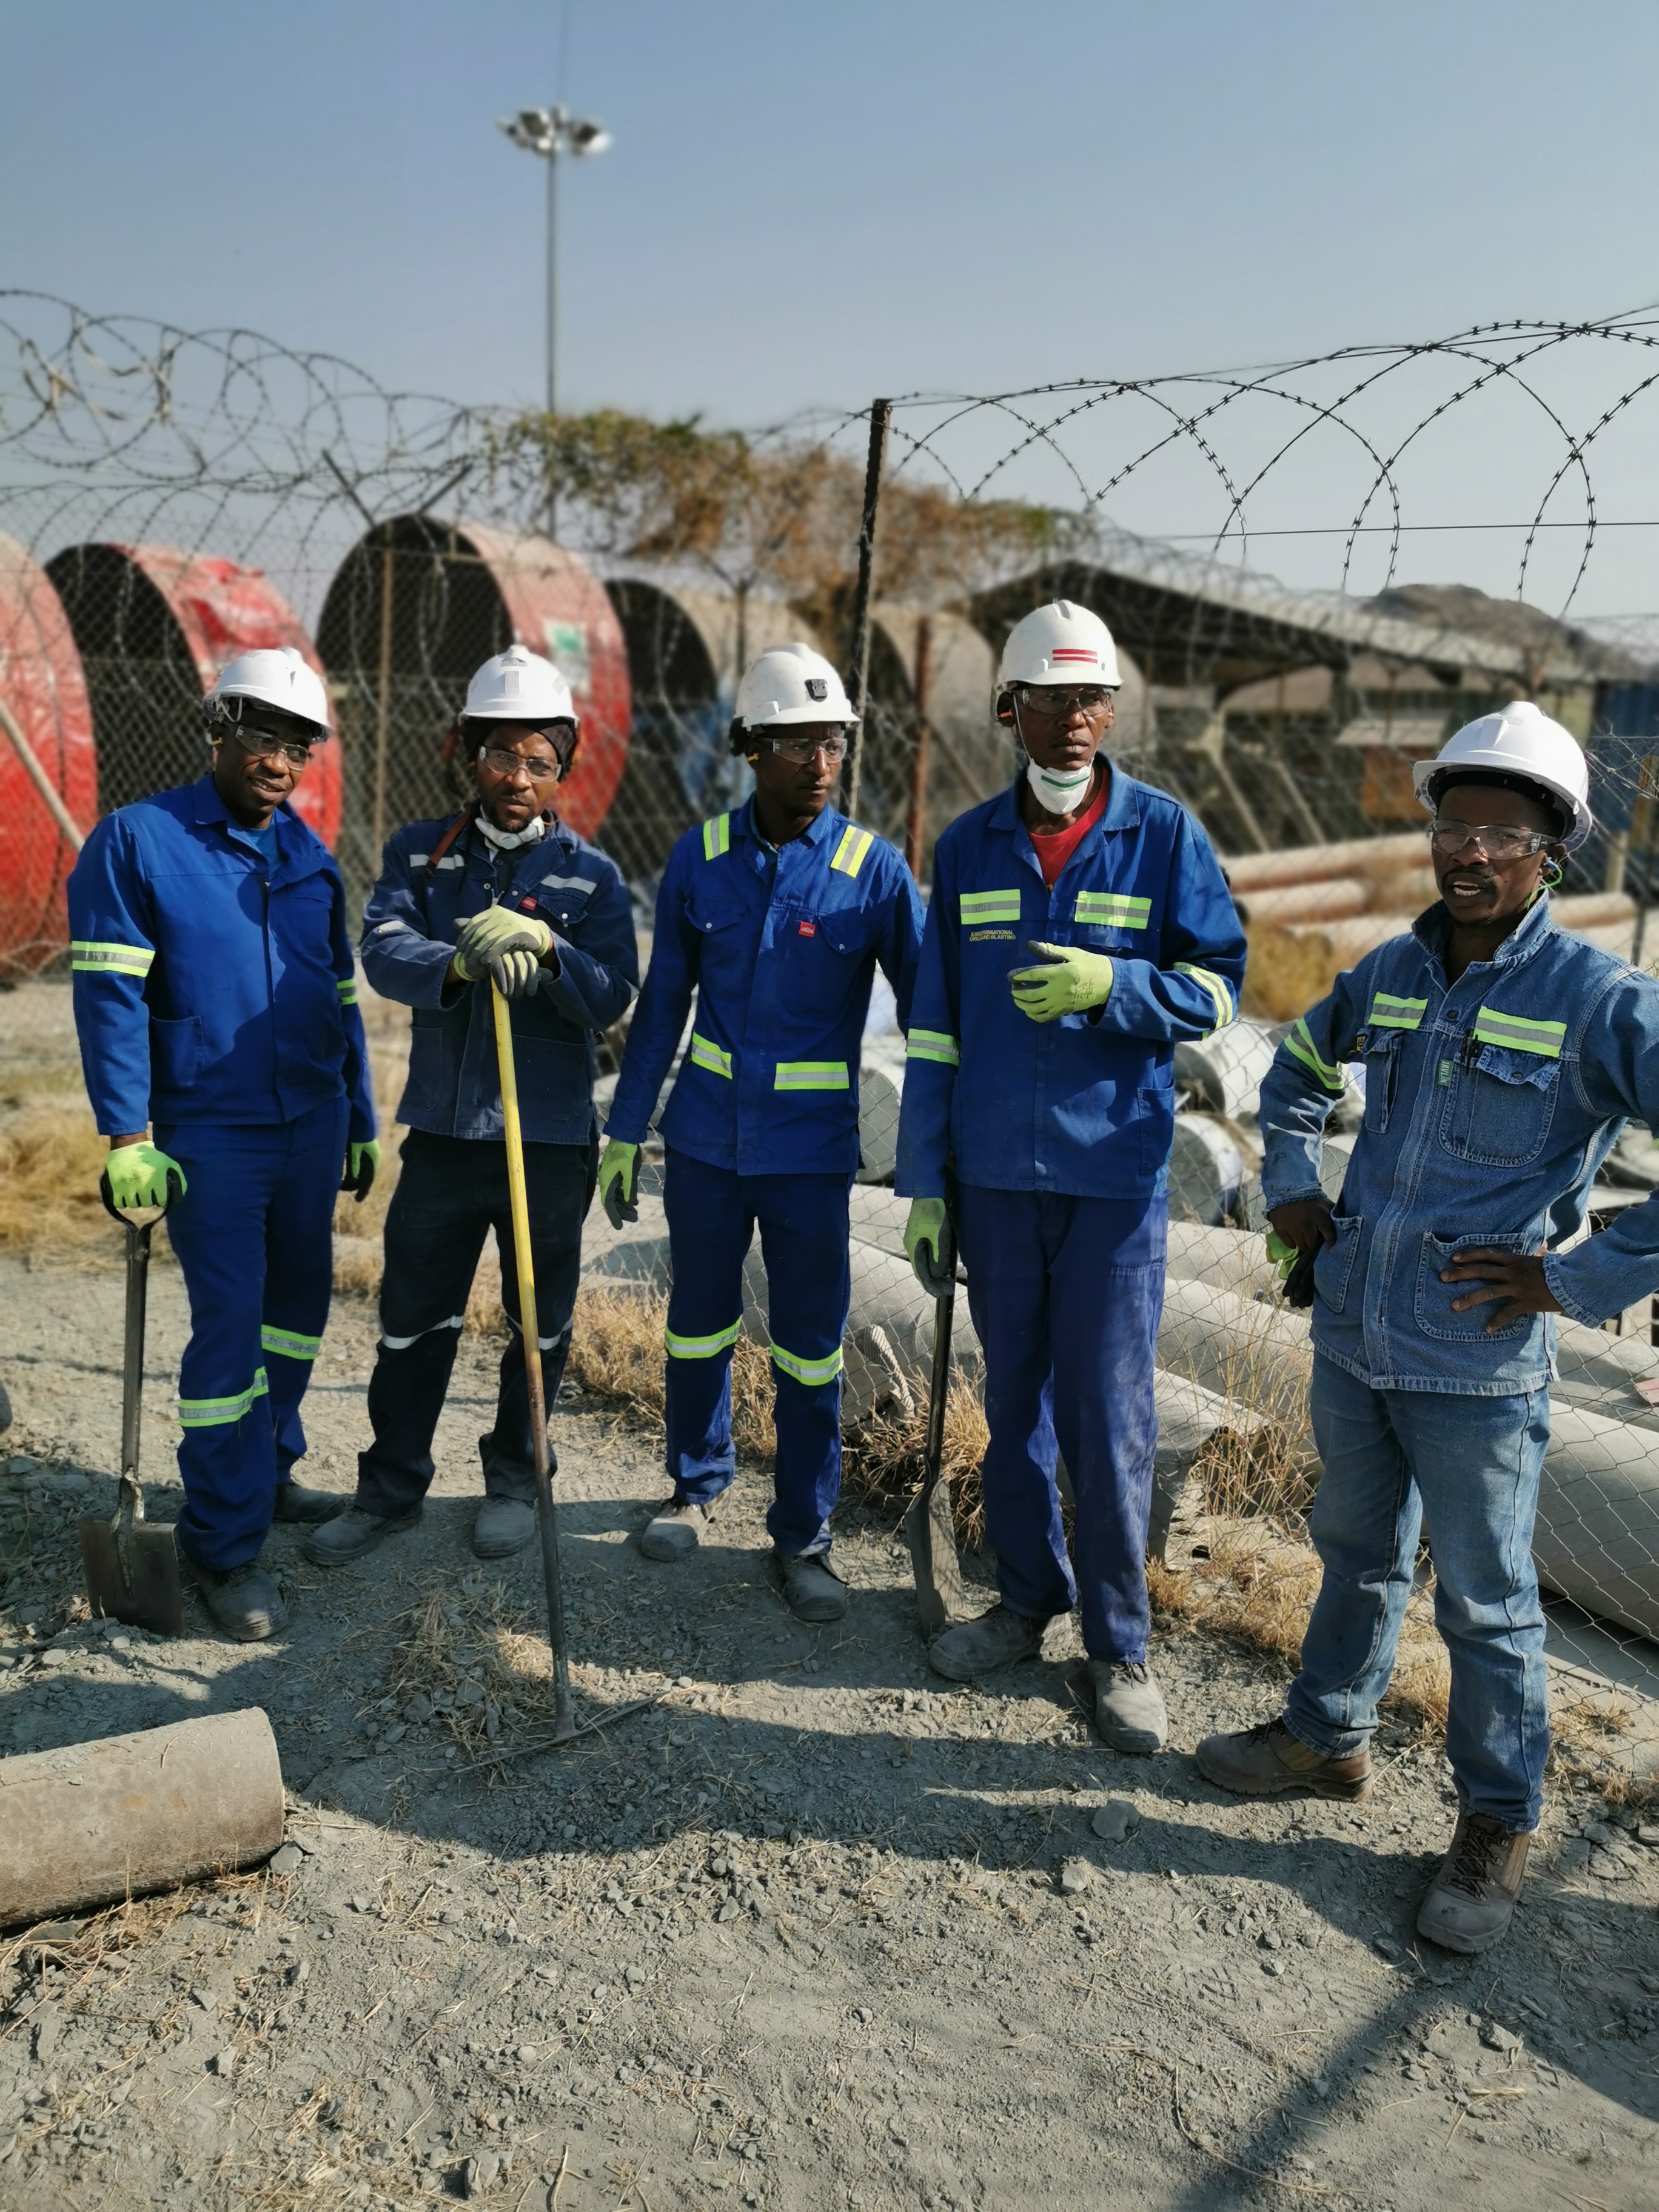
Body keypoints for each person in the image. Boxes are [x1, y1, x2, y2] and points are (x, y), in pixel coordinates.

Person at [1195, 702, 1659, 1952]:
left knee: (1490, 1607)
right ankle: (1325, 1735)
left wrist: (1583, 1279)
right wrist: (1290, 1175)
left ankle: (1498, 1823)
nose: (1469, 853)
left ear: (1550, 850)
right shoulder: (1392, 973)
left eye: (1500, 833)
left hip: (1474, 1360)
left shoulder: (1599, 997)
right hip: (1355, 1334)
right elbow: (1294, 1069)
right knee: (1353, 1549)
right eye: (1454, 825)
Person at [896, 600, 1245, 1752]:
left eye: (1094, 700)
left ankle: (1120, 1646)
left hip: (1113, 1176)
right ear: (1012, 710)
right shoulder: (966, 847)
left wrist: (1115, 990)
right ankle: (1023, 1600)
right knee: (1012, 1408)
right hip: (994, 1176)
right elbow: (935, 1031)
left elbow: (1218, 992)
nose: (1077, 721)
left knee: (1107, 1414)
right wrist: (925, 1179)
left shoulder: (1164, 838)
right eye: (1052, 699)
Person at [600, 643, 925, 1623]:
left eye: (832, 742)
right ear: (750, 747)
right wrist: (626, 1129)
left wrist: (941, 1157)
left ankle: (805, 1536)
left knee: (809, 1350)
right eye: (795, 743)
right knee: (697, 1325)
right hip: (703, 1145)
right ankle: (695, 1485)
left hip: (811, 1158)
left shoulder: (875, 871)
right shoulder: (698, 859)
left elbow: (927, 1018)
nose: (820, 761)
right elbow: (661, 1009)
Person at [307, 645, 637, 1569]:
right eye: (502, 756)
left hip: (549, 1140)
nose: (518, 779)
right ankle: (390, 1487)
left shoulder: (592, 878)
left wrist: (549, 947)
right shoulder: (420, 852)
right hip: (447, 1138)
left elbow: (612, 994)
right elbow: (381, 950)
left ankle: (517, 1479)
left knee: (540, 1323)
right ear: (468, 754)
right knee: (416, 1317)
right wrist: (456, 960)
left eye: (539, 762)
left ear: (563, 769)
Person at [68, 646, 375, 1640]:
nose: (281, 761)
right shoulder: (140, 842)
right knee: (231, 1333)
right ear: (219, 729)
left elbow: (337, 997)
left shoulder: (310, 855)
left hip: (310, 1124)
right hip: (211, 1133)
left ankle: (268, 1468)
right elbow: (109, 996)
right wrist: (127, 1134)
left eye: (299, 745)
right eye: (263, 736)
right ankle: (224, 1545)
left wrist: (361, 1113)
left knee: (296, 1316)